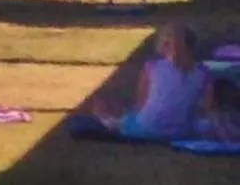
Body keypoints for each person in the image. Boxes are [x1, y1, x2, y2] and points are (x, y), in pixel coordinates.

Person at [73, 23, 209, 141]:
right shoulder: (203, 72)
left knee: (123, 119)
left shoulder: (152, 67)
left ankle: (105, 120)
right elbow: (206, 108)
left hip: (148, 128)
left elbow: (141, 105)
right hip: (181, 131)